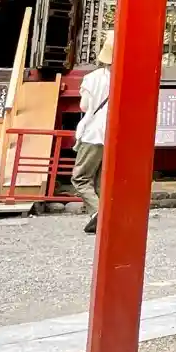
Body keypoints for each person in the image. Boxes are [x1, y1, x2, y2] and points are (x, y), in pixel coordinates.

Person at [73, 36, 114, 234]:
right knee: (101, 178)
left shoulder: (93, 78)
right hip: (113, 133)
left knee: (80, 177)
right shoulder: (125, 77)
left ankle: (98, 212)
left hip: (94, 132)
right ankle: (102, 218)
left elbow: (84, 106)